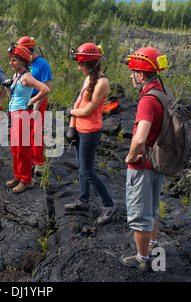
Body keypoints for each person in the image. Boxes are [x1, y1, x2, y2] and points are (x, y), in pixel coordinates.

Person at [119, 47, 167, 272]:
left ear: (141, 74)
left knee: (140, 213)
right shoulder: (162, 92)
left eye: (133, 71)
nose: (131, 76)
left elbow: (140, 136)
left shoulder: (147, 100)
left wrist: (130, 156)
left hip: (143, 164)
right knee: (153, 208)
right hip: (159, 161)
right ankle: (154, 244)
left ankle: (142, 259)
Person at [63, 43, 116, 225]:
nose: (79, 68)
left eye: (81, 65)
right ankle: (83, 200)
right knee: (81, 167)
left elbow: (87, 110)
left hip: (90, 132)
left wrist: (70, 113)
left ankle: (109, 205)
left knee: (87, 170)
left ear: (92, 64)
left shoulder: (102, 83)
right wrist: (72, 126)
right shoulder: (88, 79)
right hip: (79, 128)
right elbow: (78, 102)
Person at [5, 44, 50, 193]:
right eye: (10, 60)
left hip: (23, 115)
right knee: (15, 148)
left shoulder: (27, 77)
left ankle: (27, 180)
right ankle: (18, 175)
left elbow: (45, 89)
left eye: (14, 60)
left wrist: (32, 102)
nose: (11, 63)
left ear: (23, 61)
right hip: (15, 114)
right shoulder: (16, 76)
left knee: (23, 149)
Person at [16, 36, 52, 174]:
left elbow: (46, 88)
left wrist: (36, 105)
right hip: (24, 100)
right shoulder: (24, 64)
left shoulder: (42, 64)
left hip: (38, 100)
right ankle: (28, 159)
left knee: (36, 132)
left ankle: (39, 162)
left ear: (29, 51)